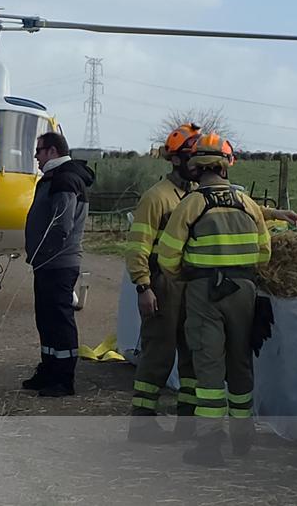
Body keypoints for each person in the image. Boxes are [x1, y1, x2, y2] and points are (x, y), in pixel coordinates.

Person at [156, 131, 275, 466]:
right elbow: (264, 252)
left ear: (197, 170)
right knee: (240, 363)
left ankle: (209, 444)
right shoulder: (248, 204)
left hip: (204, 292)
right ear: (225, 169)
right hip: (245, 291)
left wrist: (186, 278)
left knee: (209, 366)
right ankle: (242, 436)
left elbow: (167, 257)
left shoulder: (191, 204)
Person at [125, 123, 201, 442]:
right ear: (175, 159)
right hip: (163, 283)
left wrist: (274, 215)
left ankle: (188, 422)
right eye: (191, 157)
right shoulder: (156, 198)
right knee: (158, 353)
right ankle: (142, 423)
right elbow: (138, 247)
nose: (197, 164)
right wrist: (144, 287)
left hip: (193, 285)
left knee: (193, 354)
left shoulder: (198, 194)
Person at [21, 131, 95, 397]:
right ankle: (49, 368)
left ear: (52, 151)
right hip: (48, 263)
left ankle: (63, 378)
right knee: (46, 318)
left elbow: (61, 224)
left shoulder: (64, 180)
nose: (36, 157)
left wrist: (44, 251)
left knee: (60, 320)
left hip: (58, 262)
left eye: (38, 151)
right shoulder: (54, 178)